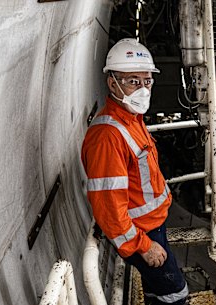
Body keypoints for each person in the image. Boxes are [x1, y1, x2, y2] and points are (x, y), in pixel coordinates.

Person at [81, 38, 188, 305]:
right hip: (143, 235)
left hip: (153, 227)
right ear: (112, 82)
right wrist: (144, 247)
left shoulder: (131, 120)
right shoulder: (108, 136)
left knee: (157, 293)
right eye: (132, 81)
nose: (142, 89)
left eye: (147, 81)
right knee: (176, 296)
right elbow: (109, 208)